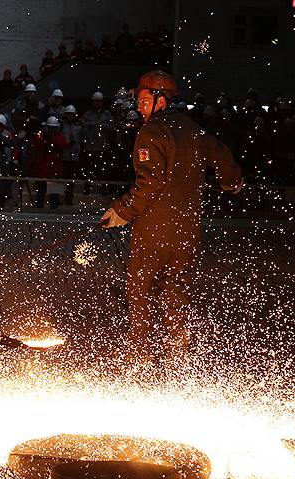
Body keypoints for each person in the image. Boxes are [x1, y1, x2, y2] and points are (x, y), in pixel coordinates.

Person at [100, 70, 243, 362]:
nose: (139, 107)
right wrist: (231, 182)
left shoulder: (152, 132)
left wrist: (121, 211)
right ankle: (179, 347)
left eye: (142, 100)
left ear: (159, 100)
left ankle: (139, 353)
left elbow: (150, 183)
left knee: (141, 287)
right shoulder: (194, 129)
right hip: (188, 227)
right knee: (176, 287)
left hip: (155, 227)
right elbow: (224, 157)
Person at [31, 116, 68, 209]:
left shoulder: (60, 136)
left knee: (54, 192)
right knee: (41, 190)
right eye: (50, 128)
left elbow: (63, 145)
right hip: (43, 168)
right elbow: (34, 142)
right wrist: (43, 136)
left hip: (55, 168)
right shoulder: (42, 136)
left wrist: (51, 139)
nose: (52, 130)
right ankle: (39, 208)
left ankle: (54, 208)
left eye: (54, 128)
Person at [81, 91, 114, 190]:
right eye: (95, 101)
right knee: (89, 169)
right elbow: (82, 122)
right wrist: (91, 124)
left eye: (98, 101)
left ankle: (103, 189)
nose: (97, 103)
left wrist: (101, 125)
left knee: (102, 169)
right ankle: (87, 188)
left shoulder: (107, 114)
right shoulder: (88, 113)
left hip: (102, 147)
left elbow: (112, 128)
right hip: (90, 147)